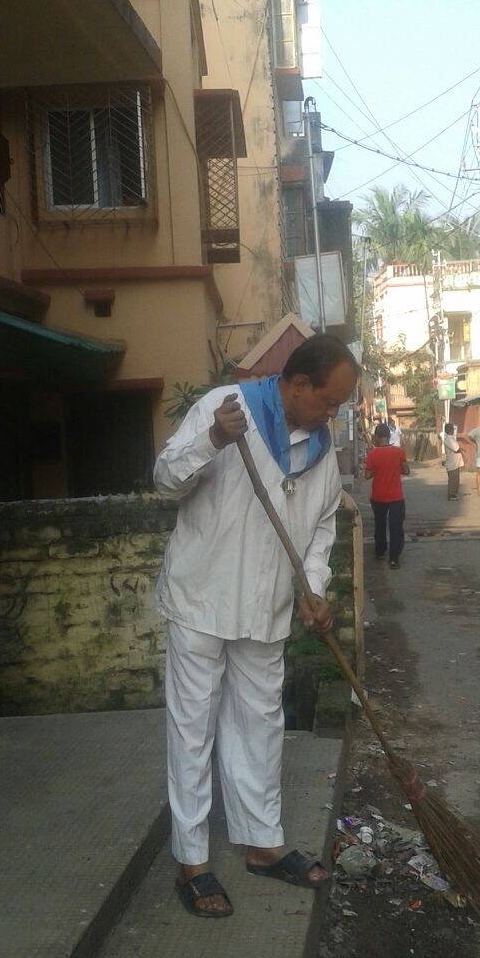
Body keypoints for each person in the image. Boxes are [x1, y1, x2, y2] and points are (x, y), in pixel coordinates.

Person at [153, 334, 360, 918]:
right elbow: (165, 480)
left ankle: (262, 843)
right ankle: (193, 861)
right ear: (298, 385)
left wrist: (313, 589)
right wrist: (212, 440)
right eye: (328, 401)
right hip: (202, 599)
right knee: (193, 731)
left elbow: (321, 528)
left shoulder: (321, 450)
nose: (332, 414)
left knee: (261, 726)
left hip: (265, 608)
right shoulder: (226, 409)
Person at [365, 422, 409, 567]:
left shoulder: (372, 454)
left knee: (380, 524)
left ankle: (380, 551)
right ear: (389, 436)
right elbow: (406, 471)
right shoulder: (399, 452)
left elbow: (367, 475)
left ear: (377, 437)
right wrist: (394, 469)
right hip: (396, 496)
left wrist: (378, 470)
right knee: (396, 527)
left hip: (378, 496)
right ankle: (394, 559)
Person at [443, 422, 463, 500]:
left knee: (456, 479)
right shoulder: (448, 439)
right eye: (451, 429)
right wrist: (461, 448)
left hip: (455, 462)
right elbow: (456, 449)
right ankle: (451, 495)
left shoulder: (451, 438)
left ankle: (454, 494)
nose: (452, 430)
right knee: (453, 480)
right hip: (452, 463)